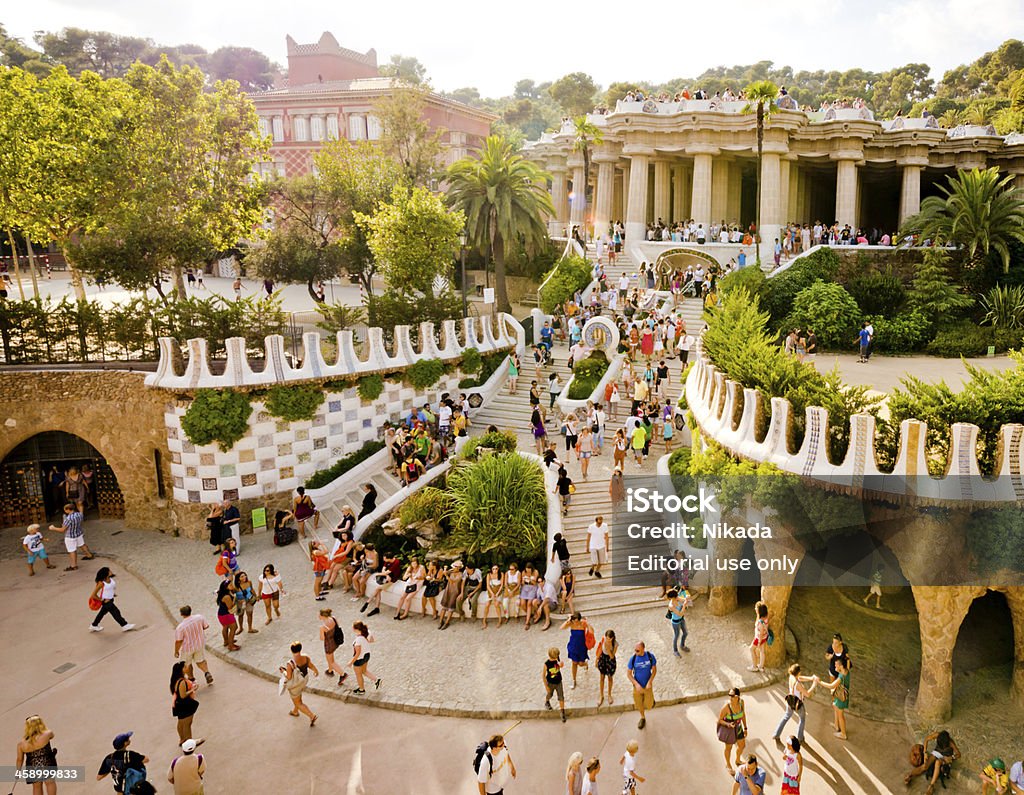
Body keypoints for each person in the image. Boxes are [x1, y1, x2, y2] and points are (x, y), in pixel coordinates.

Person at [771, 663, 818, 744]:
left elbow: (800, 678)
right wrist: (814, 684)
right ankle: (800, 738)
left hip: (790, 701)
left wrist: (811, 678)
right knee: (802, 719)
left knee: (786, 717)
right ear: (798, 672)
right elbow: (807, 694)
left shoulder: (791, 677)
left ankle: (776, 734)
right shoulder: (798, 684)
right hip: (798, 704)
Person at [17, 715, 58, 795]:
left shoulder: (21, 744)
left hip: (32, 766)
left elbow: (19, 759)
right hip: (47, 763)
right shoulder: (47, 734)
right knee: (50, 783)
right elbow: (52, 735)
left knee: (36, 787)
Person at [280, 641, 319, 725]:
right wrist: (316, 671)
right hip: (304, 680)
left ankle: (312, 716)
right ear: (300, 649)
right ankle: (295, 711)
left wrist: (283, 671)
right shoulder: (305, 657)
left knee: (298, 702)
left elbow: (289, 677)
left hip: (295, 684)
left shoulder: (290, 663)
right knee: (298, 696)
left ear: (291, 650)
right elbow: (311, 665)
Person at [174, 605, 214, 685]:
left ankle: (192, 680)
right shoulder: (199, 617)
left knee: (187, 664)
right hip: (199, 644)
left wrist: (176, 651)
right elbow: (206, 626)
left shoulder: (180, 627)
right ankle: (206, 672)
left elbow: (179, 641)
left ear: (181, 614)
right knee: (201, 661)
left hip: (188, 648)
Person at [50, 502, 93, 571]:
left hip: (70, 536)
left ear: (68, 510)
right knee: (82, 544)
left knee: (72, 550)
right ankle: (89, 555)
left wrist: (53, 528)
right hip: (78, 533)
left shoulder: (68, 519)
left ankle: (73, 565)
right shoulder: (79, 514)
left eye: (65, 510)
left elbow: (62, 529)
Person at [90, 566, 135, 633]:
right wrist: (101, 600)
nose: (111, 571)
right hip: (107, 602)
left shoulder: (110, 579)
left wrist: (113, 594)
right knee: (116, 613)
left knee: (101, 613)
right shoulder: (101, 583)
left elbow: (110, 588)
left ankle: (94, 625)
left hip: (111, 599)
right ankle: (124, 625)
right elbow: (93, 595)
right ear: (106, 573)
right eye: (109, 571)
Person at [626, 641, 657, 730]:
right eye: (635, 650)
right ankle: (642, 718)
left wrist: (650, 681)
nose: (636, 652)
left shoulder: (650, 657)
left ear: (643, 649)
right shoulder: (633, 659)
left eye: (638, 650)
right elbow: (628, 674)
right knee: (639, 704)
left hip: (647, 686)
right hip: (637, 686)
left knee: (649, 706)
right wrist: (636, 684)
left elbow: (654, 671)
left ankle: (651, 701)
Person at [717, 687, 748, 775]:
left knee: (742, 745)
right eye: (729, 695)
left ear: (737, 696)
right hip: (729, 730)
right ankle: (728, 765)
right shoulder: (727, 706)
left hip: (738, 728)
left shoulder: (741, 702)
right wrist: (728, 724)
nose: (730, 697)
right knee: (728, 748)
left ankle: (737, 760)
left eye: (732, 695)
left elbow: (743, 715)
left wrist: (745, 728)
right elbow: (719, 720)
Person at [820, 655, 851, 739]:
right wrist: (847, 658)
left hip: (841, 697)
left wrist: (819, 682)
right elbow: (847, 662)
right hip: (839, 695)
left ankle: (843, 734)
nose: (834, 666)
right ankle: (837, 726)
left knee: (841, 715)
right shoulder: (846, 670)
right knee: (835, 707)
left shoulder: (841, 676)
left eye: (836, 665)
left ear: (841, 666)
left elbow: (831, 686)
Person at [170, 660, 200, 744]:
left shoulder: (175, 681)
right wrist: (192, 690)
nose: (187, 668)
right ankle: (189, 741)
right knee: (187, 723)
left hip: (178, 704)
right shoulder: (182, 682)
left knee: (181, 722)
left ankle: (182, 739)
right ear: (182, 670)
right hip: (185, 704)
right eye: (185, 667)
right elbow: (183, 695)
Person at [349, 621, 381, 695]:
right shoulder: (367, 632)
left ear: (356, 629)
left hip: (359, 659)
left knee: (358, 674)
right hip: (367, 655)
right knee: (364, 671)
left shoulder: (358, 640)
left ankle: (361, 689)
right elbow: (372, 640)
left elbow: (357, 654)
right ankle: (376, 680)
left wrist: (350, 662)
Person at [561, 611, 591, 688]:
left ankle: (585, 664)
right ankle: (574, 680)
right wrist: (568, 620)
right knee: (574, 663)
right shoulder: (571, 624)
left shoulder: (583, 624)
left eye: (577, 620)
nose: (575, 622)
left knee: (580, 663)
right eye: (574, 620)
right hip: (573, 645)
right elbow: (562, 627)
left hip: (582, 646)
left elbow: (591, 631)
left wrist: (588, 624)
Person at [543, 647, 568, 722]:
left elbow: (557, 667)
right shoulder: (546, 664)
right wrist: (546, 686)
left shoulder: (556, 661)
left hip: (558, 682)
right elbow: (543, 675)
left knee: (561, 696)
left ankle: (562, 712)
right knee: (550, 694)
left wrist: (560, 666)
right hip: (550, 683)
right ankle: (547, 701)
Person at [438, 560, 464, 629]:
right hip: (448, 590)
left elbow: (452, 582)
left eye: (455, 567)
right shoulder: (451, 571)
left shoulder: (460, 575)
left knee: (450, 608)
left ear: (458, 568)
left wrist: (447, 576)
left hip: (454, 592)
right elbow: (444, 573)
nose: (453, 568)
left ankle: (447, 622)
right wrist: (445, 571)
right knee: (444, 607)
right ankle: (440, 621)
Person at [596, 629, 618, 707]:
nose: (608, 640)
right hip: (603, 659)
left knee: (610, 678)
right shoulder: (603, 640)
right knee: (601, 677)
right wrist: (596, 660)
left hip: (610, 660)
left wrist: (608, 649)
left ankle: (609, 695)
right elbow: (600, 650)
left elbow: (612, 656)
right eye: (607, 638)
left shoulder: (615, 644)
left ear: (612, 638)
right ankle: (601, 695)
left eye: (609, 638)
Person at [666, 588, 688, 656]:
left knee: (685, 633)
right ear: (671, 598)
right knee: (676, 635)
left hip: (682, 619)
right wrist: (684, 606)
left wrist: (687, 597)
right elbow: (680, 614)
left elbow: (685, 599)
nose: (677, 597)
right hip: (675, 622)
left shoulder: (677, 598)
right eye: (675, 597)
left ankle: (682, 645)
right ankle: (675, 650)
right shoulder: (671, 606)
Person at [481, 564, 505, 629]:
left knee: (496, 604)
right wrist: (492, 594)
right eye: (493, 569)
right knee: (487, 604)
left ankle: (500, 620)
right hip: (490, 591)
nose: (495, 570)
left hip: (498, 591)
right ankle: (484, 620)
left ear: (498, 569)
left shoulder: (501, 574)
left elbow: (501, 585)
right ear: (491, 569)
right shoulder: (489, 575)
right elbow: (488, 586)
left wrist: (497, 594)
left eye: (496, 569)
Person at [748, 601, 769, 672]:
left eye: (756, 609)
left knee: (751, 649)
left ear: (759, 611)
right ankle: (761, 666)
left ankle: (754, 666)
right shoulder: (766, 619)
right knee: (762, 651)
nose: (755, 609)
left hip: (758, 638)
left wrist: (759, 642)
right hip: (764, 638)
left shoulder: (760, 623)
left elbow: (761, 633)